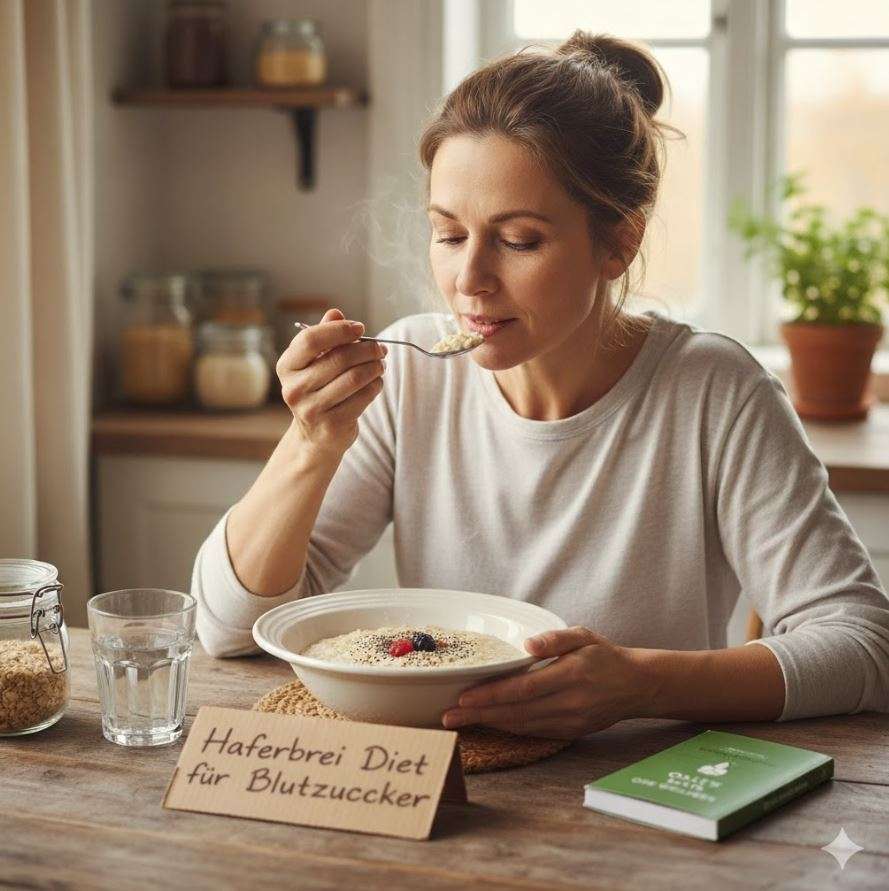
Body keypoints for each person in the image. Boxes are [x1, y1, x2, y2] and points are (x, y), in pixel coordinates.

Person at [191, 31, 889, 738]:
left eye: (518, 240)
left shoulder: (716, 392)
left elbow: (864, 644)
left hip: (638, 787)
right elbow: (229, 627)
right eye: (449, 234)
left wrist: (642, 684)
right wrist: (310, 442)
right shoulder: (410, 377)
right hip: (442, 780)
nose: (469, 280)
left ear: (619, 243)